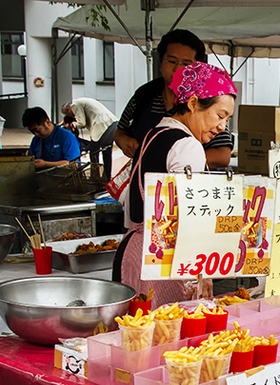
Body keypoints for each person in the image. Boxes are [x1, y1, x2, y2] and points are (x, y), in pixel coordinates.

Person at [112, 62, 236, 307]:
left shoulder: (154, 133)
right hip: (162, 260)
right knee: (167, 338)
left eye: (227, 119)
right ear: (192, 104)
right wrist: (201, 271)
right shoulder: (187, 146)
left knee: (137, 335)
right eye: (220, 116)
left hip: (134, 251)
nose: (223, 126)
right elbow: (190, 215)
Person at [114, 29, 233, 170]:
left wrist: (180, 158)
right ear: (160, 62)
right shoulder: (144, 96)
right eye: (172, 61)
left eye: (186, 63)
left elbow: (222, 155)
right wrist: (126, 142)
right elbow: (120, 131)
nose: (178, 69)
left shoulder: (207, 102)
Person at [62, 98, 118, 182]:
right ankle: (106, 177)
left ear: (68, 109)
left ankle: (95, 177)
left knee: (93, 152)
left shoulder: (75, 105)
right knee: (106, 152)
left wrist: (73, 125)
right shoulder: (81, 101)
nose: (74, 116)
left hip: (101, 126)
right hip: (111, 123)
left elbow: (82, 123)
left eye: (71, 115)